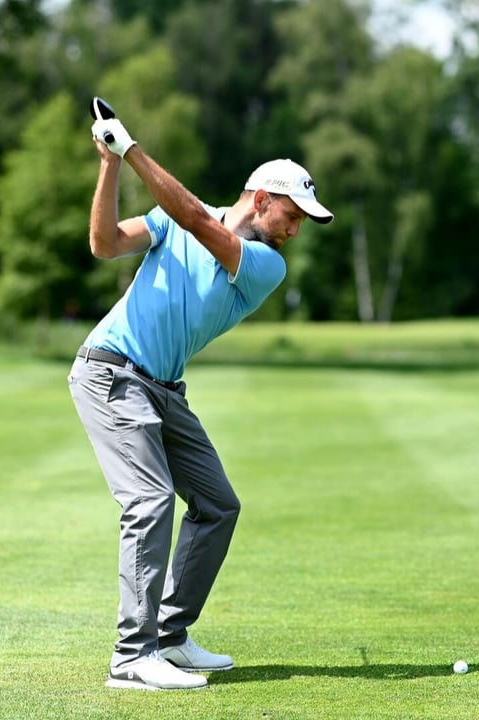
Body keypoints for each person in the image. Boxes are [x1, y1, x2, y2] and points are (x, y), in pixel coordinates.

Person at [68, 108, 333, 691]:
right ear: (261, 199)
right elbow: (105, 243)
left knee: (217, 505)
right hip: (110, 373)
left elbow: (193, 217)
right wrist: (111, 164)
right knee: (151, 500)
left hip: (163, 389)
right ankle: (131, 657)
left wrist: (133, 147)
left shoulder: (264, 265)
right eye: (291, 216)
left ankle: (169, 635)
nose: (294, 231)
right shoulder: (175, 219)